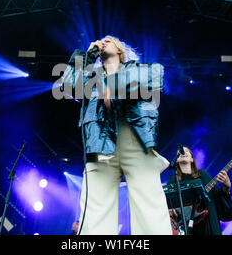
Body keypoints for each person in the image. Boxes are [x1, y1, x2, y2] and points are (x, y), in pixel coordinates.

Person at [56, 35, 172, 235]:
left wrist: (113, 87)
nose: (102, 42)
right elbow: (68, 85)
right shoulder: (91, 77)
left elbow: (156, 77)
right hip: (99, 143)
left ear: (119, 49)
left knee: (149, 207)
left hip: (136, 141)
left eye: (108, 40)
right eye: (100, 41)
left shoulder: (139, 69)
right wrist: (88, 56)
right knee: (94, 212)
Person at [166, 146, 232, 235]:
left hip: (208, 226)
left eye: (186, 151)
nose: (183, 152)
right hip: (188, 229)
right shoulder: (173, 180)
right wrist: (170, 210)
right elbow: (167, 204)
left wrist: (227, 187)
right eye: (179, 152)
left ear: (191, 159)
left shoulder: (203, 175)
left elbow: (217, 198)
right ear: (177, 160)